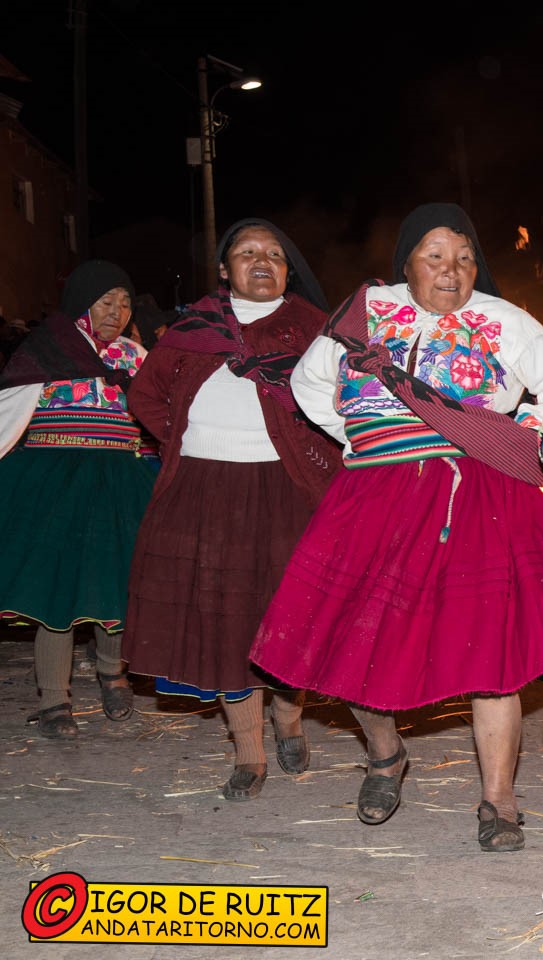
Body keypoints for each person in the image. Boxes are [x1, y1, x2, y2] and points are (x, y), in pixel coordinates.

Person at [251, 203, 543, 848]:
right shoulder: (363, 316)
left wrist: (522, 441)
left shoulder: (503, 319)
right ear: (405, 261)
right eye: (434, 255)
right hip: (377, 496)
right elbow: (308, 386)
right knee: (350, 637)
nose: (451, 269)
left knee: (492, 653)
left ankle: (499, 800)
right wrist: (371, 441)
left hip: (481, 495)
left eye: (464, 257)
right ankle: (385, 755)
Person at [123, 220, 338, 801]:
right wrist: (186, 441)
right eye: (247, 252)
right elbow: (144, 394)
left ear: (289, 271)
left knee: (285, 617)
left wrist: (315, 456)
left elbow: (344, 403)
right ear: (225, 270)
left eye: (274, 253)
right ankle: (249, 752)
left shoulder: (315, 330)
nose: (261, 259)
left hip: (285, 490)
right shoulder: (192, 329)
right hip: (202, 490)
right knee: (225, 623)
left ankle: (289, 719)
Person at [0, 261, 154, 737]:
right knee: (57, 588)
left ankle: (113, 674)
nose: (116, 311)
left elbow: (158, 415)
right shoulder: (46, 348)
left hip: (118, 481)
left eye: (124, 302)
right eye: (105, 301)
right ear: (82, 304)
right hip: (55, 482)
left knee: (119, 579)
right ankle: (54, 701)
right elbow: (8, 411)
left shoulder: (133, 356)